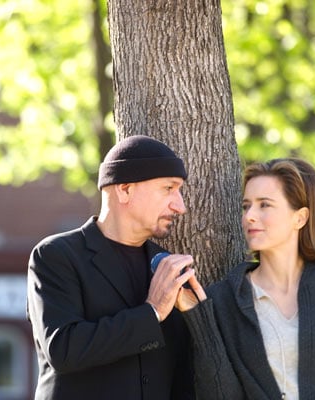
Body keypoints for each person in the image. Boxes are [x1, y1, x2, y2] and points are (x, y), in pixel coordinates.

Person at [176, 157, 315, 399]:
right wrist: (197, 317)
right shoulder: (223, 299)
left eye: (265, 205)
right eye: (246, 206)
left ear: (300, 218)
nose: (250, 215)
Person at [27, 135, 196, 400]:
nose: (180, 205)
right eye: (168, 188)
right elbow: (64, 348)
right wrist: (152, 312)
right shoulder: (55, 256)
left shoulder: (166, 265)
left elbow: (182, 375)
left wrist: (200, 316)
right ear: (125, 189)